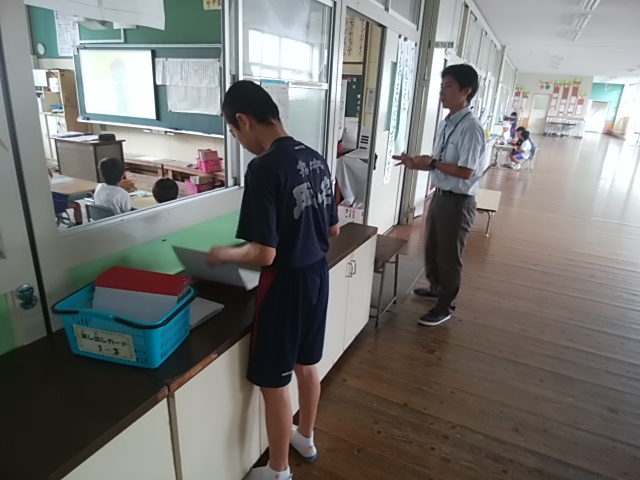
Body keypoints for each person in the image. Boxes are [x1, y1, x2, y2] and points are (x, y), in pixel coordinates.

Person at [206, 80, 340, 480]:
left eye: (234, 132)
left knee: (274, 382)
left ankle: (279, 471)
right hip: (318, 275)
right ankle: (306, 438)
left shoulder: (263, 168)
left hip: (285, 285)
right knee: (307, 365)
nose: (239, 140)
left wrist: (223, 254)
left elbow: (264, 254)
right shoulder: (315, 157)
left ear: (244, 121)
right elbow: (333, 229)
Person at [393, 64, 485, 326]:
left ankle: (445, 305)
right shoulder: (448, 124)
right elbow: (441, 162)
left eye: (448, 86)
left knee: (449, 256)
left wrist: (432, 163)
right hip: (441, 196)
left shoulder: (471, 128)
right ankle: (436, 288)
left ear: (466, 91)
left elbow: (466, 171)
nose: (442, 92)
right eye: (441, 86)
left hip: (458, 202)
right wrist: (415, 163)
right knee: (432, 247)